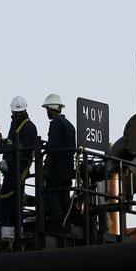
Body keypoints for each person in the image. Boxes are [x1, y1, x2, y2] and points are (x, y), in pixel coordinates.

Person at [0, 97, 38, 232]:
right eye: (14, 113)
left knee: (10, 200)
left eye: (17, 113)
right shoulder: (15, 124)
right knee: (10, 200)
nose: (15, 115)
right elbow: (11, 143)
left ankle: (10, 229)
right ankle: (10, 228)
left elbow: (24, 151)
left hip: (18, 169)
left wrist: (8, 161)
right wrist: (2, 143)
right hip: (11, 169)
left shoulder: (29, 127)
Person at [40, 94, 75, 229]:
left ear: (51, 108)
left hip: (57, 170)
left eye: (47, 109)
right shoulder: (70, 126)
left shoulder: (55, 124)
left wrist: (46, 168)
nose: (47, 112)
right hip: (68, 170)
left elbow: (53, 149)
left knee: (49, 194)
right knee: (64, 199)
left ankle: (58, 224)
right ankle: (67, 226)